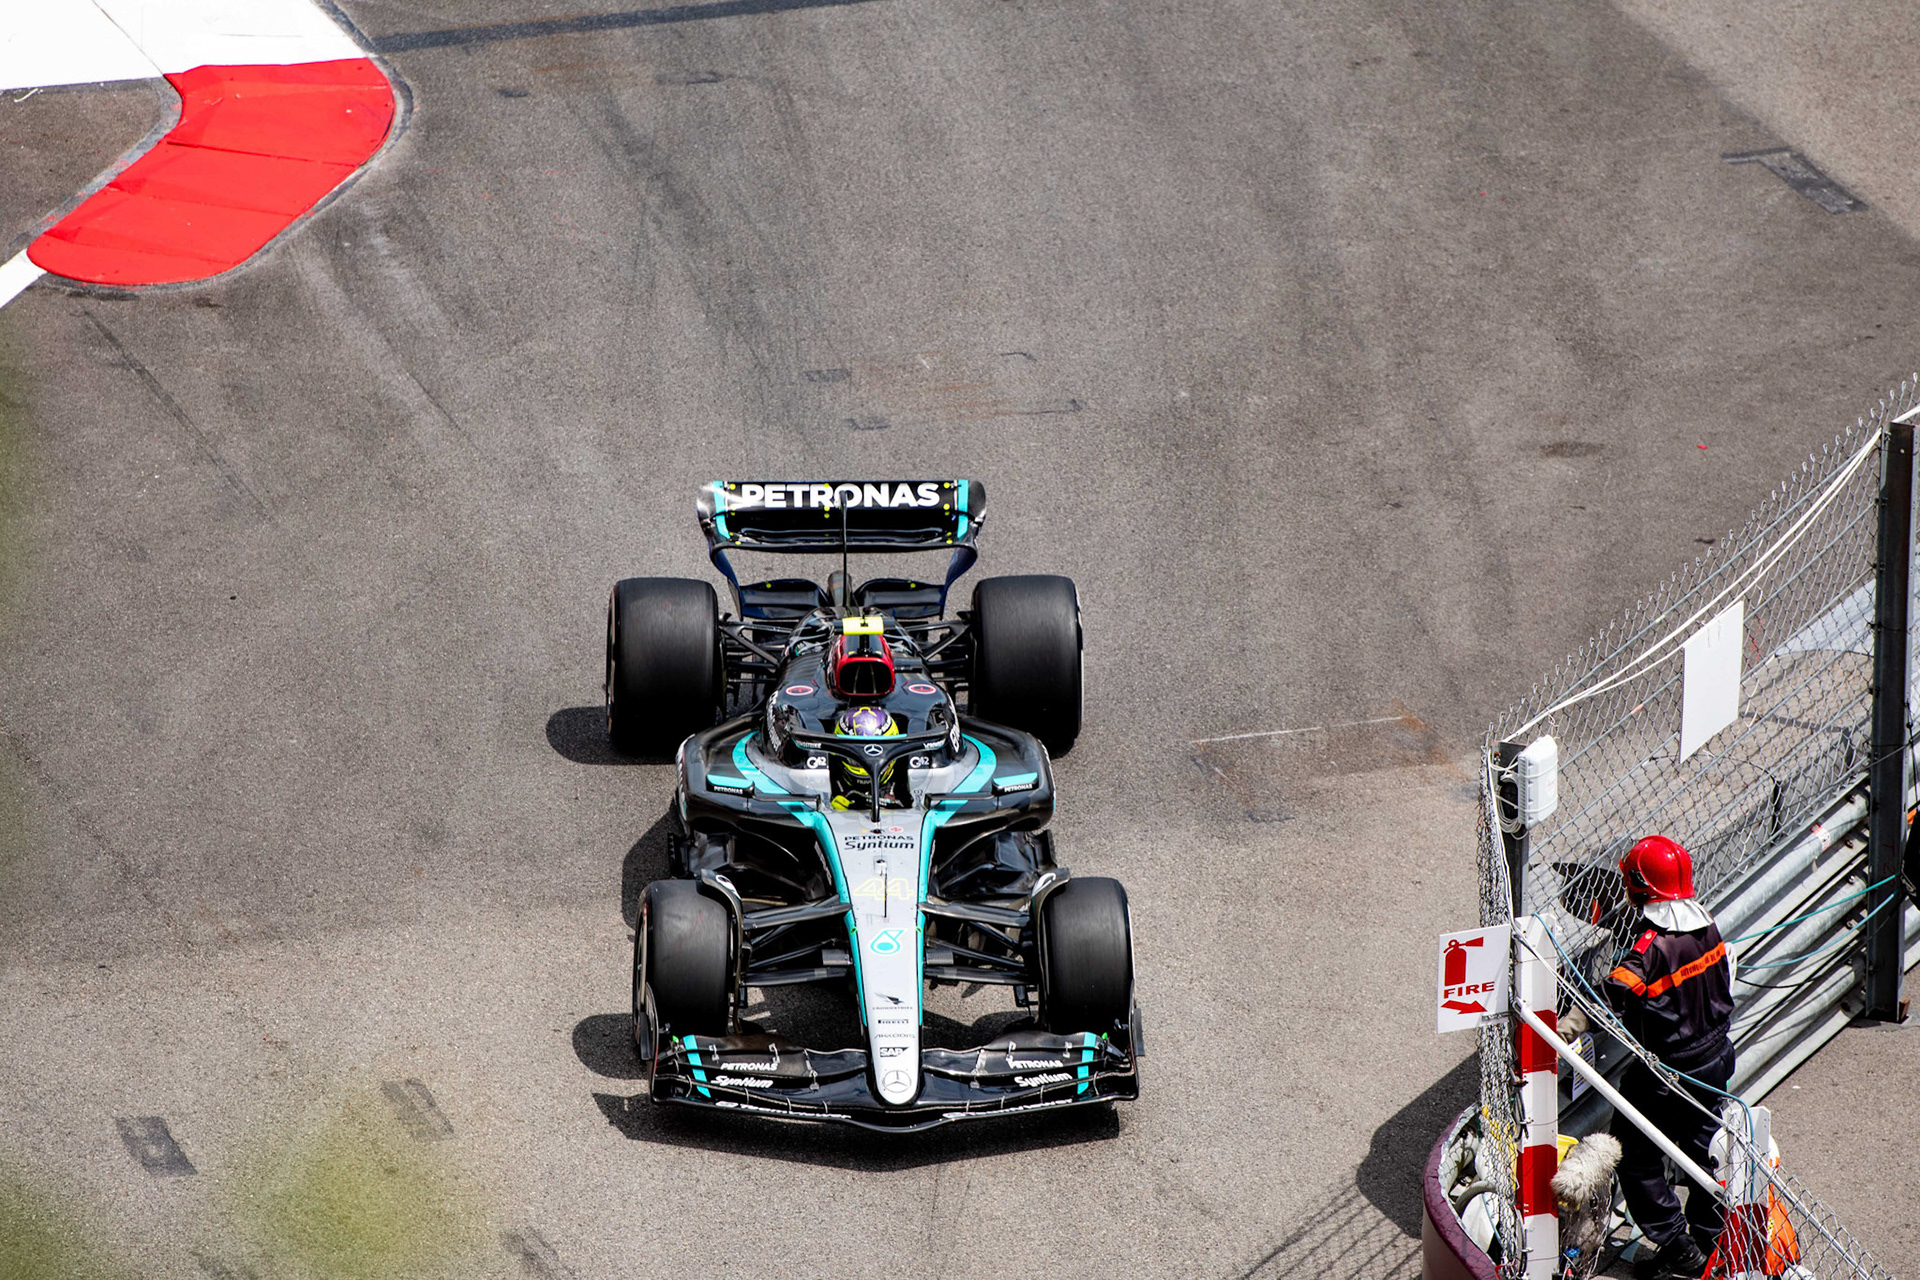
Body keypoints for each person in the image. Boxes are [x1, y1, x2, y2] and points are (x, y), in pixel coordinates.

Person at [1605, 835, 1737, 1280]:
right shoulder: (1708, 926)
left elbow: (1613, 994)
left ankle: (1679, 1248)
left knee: (1632, 1152)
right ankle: (1711, 1244)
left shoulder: (1648, 950)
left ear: (1639, 887)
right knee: (1706, 1154)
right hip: (1717, 1057)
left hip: (1668, 1074)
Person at [829, 704, 901, 810]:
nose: (868, 762)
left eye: (877, 753)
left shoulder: (903, 774)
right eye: (855, 758)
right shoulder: (831, 774)